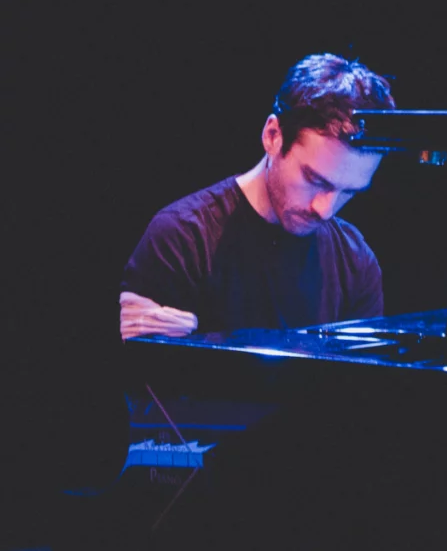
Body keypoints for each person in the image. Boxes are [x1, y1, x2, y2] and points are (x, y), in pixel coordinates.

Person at [120, 53, 395, 339]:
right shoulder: (182, 238)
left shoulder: (356, 263)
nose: (325, 210)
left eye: (349, 192)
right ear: (273, 135)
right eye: (314, 180)